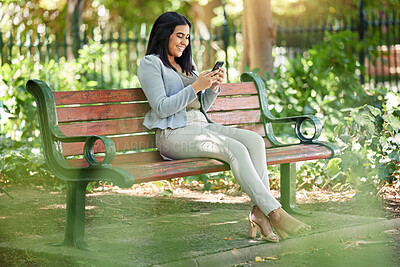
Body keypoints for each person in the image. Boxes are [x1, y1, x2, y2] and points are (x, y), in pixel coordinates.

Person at [138, 11, 310, 242]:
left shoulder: (187, 65)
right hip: (173, 134)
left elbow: (201, 107)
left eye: (187, 37)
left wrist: (212, 87)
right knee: (235, 149)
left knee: (254, 141)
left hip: (202, 127)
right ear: (164, 34)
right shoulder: (151, 64)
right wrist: (195, 87)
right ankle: (275, 213)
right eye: (179, 36)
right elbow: (160, 107)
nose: (184, 42)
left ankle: (259, 212)